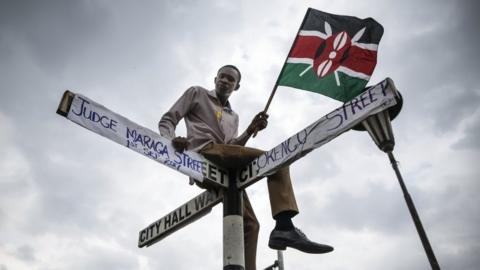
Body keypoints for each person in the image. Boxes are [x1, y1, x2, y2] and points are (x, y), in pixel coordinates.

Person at [158, 65, 333, 270]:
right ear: (215, 79)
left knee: (250, 225)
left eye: (230, 79)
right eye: (222, 76)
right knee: (276, 159)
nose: (225, 80)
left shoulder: (233, 116)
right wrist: (171, 143)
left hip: (225, 170)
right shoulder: (196, 93)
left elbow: (232, 148)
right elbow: (167, 120)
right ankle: (285, 226)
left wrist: (251, 129)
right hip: (204, 155)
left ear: (237, 86)